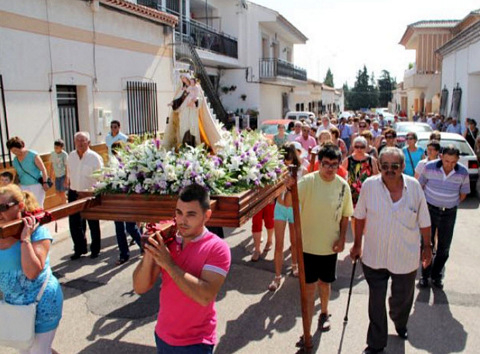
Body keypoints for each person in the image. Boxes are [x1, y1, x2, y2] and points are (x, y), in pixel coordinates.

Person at [350, 147, 432, 354]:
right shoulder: (369, 186)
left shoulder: (414, 188)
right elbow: (359, 216)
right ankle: (376, 343)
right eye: (384, 166)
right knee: (376, 302)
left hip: (405, 257)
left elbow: (424, 220)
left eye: (394, 166)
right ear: (379, 166)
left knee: (401, 299)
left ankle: (399, 321)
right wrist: (357, 244)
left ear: (402, 167)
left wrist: (428, 247)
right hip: (374, 256)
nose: (389, 170)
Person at [133, 184, 231, 353]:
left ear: (206, 215)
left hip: (196, 342)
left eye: (190, 214)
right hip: (163, 335)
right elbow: (140, 287)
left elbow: (205, 296)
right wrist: (149, 253)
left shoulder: (218, 247)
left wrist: (169, 264)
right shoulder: (169, 241)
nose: (182, 221)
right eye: (179, 213)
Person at [295, 143, 353, 347]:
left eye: (334, 165)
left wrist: (342, 237)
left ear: (339, 165)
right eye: (325, 164)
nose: (329, 168)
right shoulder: (307, 182)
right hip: (307, 246)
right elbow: (287, 202)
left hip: (329, 246)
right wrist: (286, 187)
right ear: (319, 163)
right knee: (309, 290)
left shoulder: (343, 186)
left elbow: (346, 214)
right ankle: (307, 333)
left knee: (325, 285)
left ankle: (325, 313)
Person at [0, 184, 63, 353]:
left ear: (19, 206)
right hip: (15, 306)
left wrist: (25, 239)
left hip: (42, 303)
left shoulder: (37, 231)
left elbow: (32, 272)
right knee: (27, 349)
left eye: (2, 208)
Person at [418, 145, 470, 289]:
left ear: (458, 160)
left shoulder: (463, 172)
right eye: (447, 161)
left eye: (453, 162)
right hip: (430, 210)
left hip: (449, 212)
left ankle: (436, 276)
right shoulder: (429, 167)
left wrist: (451, 202)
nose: (449, 165)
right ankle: (425, 275)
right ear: (441, 157)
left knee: (444, 247)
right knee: (426, 244)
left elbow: (463, 193)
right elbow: (420, 186)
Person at [66, 132, 104, 260]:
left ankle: (95, 249)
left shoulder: (95, 157)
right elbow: (69, 172)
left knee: (93, 222)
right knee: (74, 223)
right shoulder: (71, 156)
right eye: (77, 141)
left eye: (83, 141)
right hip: (74, 192)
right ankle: (79, 249)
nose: (80, 143)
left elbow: (101, 177)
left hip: (89, 193)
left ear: (88, 142)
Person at [268, 144, 299, 291]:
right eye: (284, 158)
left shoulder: (300, 170)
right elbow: (273, 192)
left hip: (294, 209)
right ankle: (277, 276)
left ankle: (294, 266)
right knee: (278, 244)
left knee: (294, 241)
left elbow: (300, 194)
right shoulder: (277, 170)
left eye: (289, 157)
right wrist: (282, 183)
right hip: (280, 208)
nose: (287, 161)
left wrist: (293, 184)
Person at [109, 141, 143, 265]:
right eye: (114, 151)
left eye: (118, 151)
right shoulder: (112, 164)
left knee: (130, 227)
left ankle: (144, 247)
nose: (116, 154)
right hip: (116, 201)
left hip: (128, 200)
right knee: (119, 228)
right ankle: (124, 254)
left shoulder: (130, 163)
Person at [6, 137, 49, 207]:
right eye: (13, 152)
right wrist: (14, 186)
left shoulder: (32, 155)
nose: (15, 153)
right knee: (26, 206)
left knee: (38, 205)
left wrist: (45, 182)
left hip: (36, 185)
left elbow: (43, 169)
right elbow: (17, 174)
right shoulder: (15, 160)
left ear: (21, 147)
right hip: (23, 186)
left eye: (16, 150)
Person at [342, 136, 379, 207]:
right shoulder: (348, 160)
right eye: (356, 147)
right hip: (351, 193)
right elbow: (341, 174)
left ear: (366, 147)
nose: (359, 149)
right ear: (353, 147)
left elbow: (376, 176)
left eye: (362, 147)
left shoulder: (371, 160)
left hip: (367, 192)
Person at [49, 139, 68, 205]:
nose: (55, 149)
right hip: (57, 176)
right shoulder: (52, 154)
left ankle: (65, 206)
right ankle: (66, 200)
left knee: (62, 192)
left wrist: (66, 178)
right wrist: (51, 176)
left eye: (57, 148)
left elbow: (66, 166)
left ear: (61, 147)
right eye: (55, 147)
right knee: (57, 192)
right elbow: (52, 165)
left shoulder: (64, 155)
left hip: (63, 175)